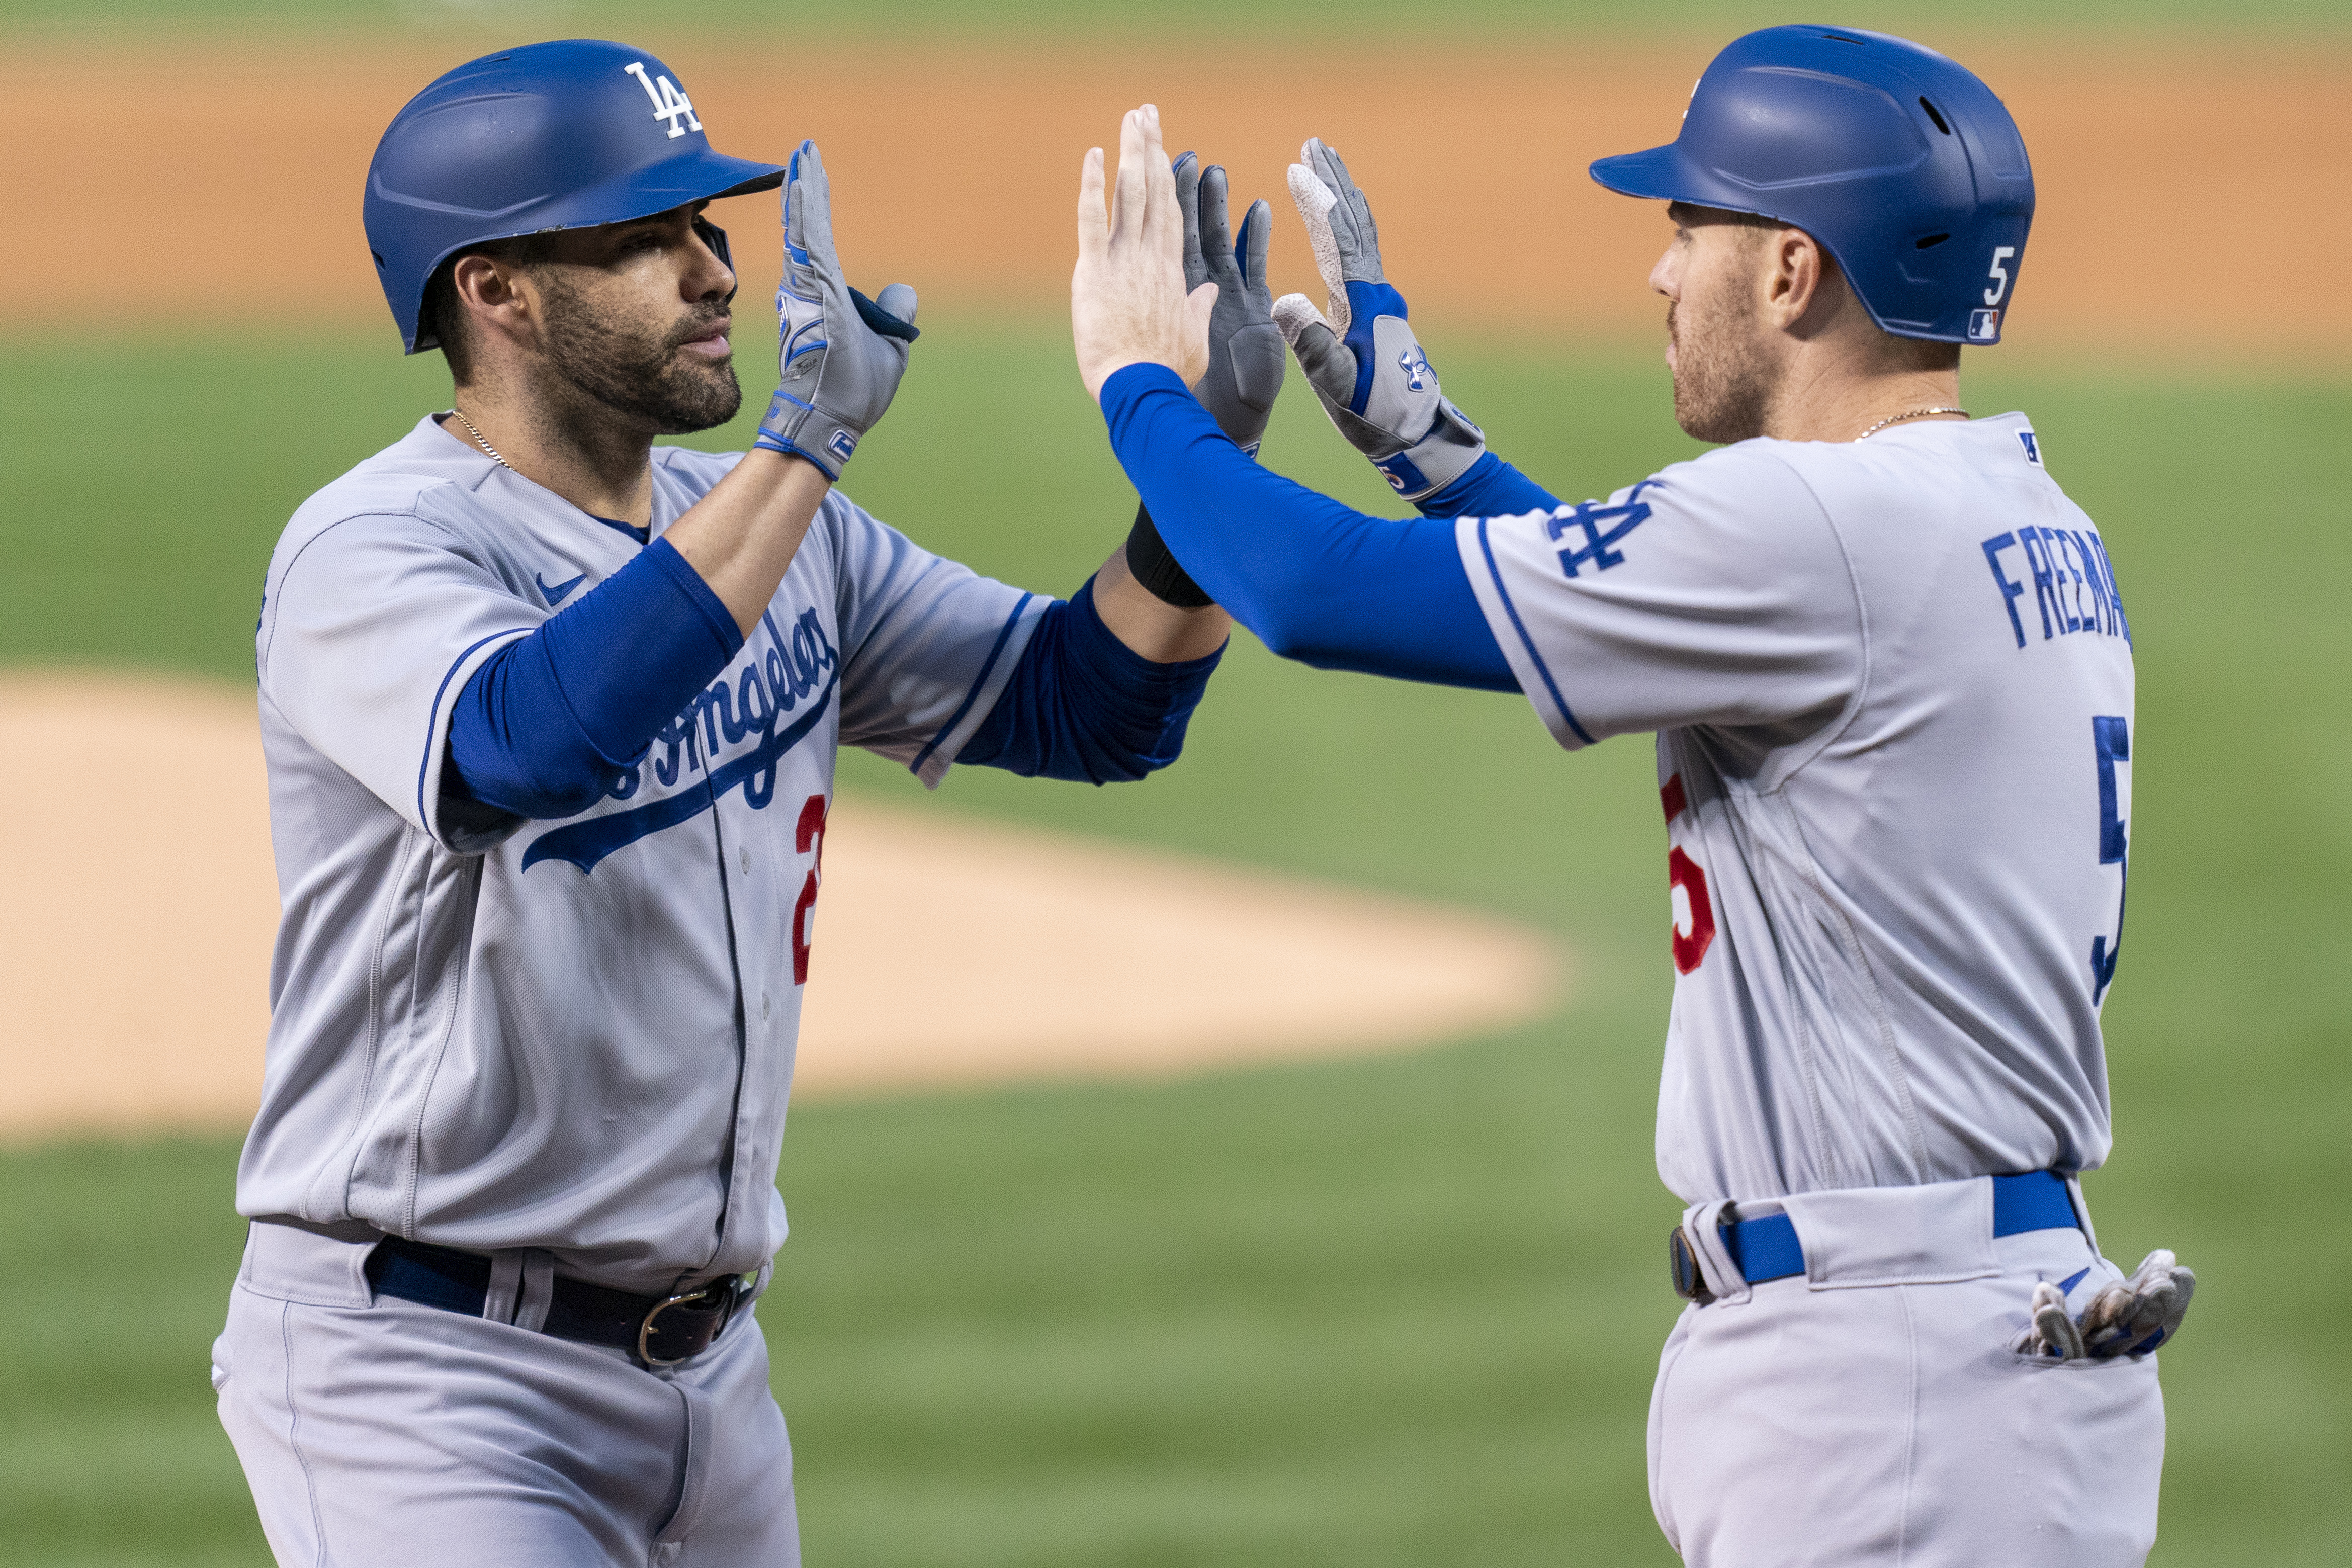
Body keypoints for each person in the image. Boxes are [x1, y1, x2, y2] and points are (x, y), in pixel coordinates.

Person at [1070, 26, 2194, 1566]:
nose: (1662, 276)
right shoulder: (2006, 510)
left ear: (1793, 271)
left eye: (1690, 228)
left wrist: (1142, 387)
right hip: (1955, 1342)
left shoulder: (1821, 525)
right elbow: (1682, 618)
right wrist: (1432, 449)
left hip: (1900, 1384)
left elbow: (1314, 596)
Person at [213, 39, 1266, 1566]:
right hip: (426, 1371)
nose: (717, 271)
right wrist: (805, 447)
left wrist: (1202, 482)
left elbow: (1086, 706)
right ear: (496, 294)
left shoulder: (766, 528)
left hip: (708, 1385)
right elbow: (524, 744)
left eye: (714, 226)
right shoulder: (374, 552)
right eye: (648, 238)